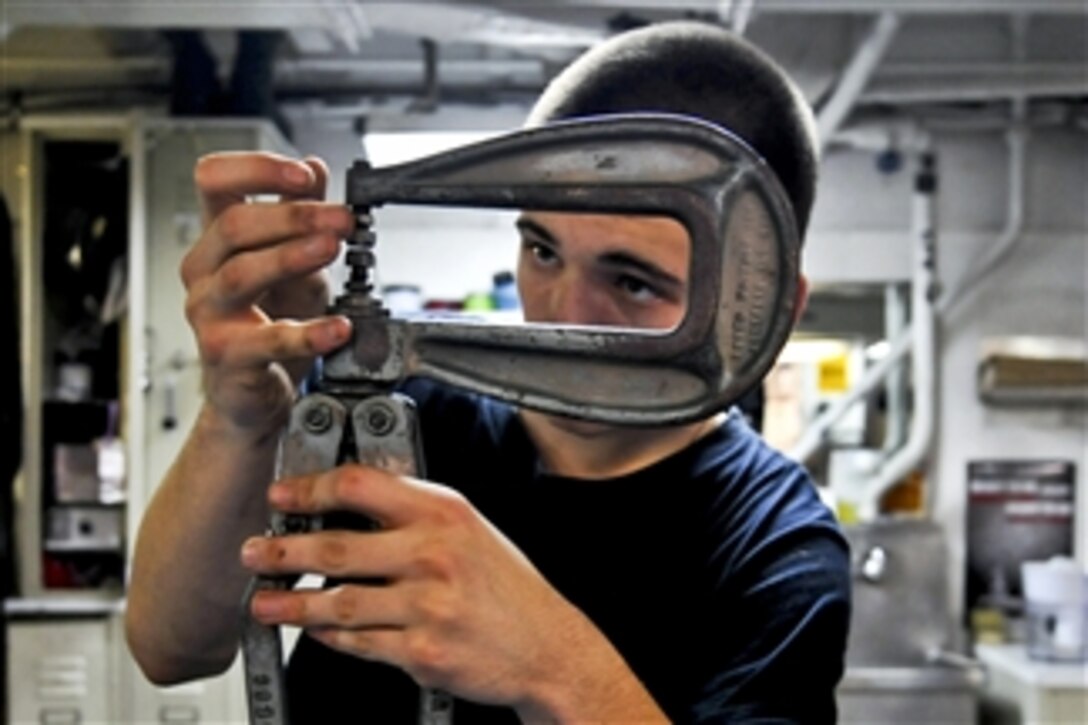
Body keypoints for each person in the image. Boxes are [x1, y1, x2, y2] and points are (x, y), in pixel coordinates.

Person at [125, 20, 851, 723]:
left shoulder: (776, 546)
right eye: (542, 250)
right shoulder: (391, 402)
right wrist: (241, 417)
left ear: (773, 310)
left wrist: (552, 666)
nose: (562, 315)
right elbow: (170, 648)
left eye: (633, 282)